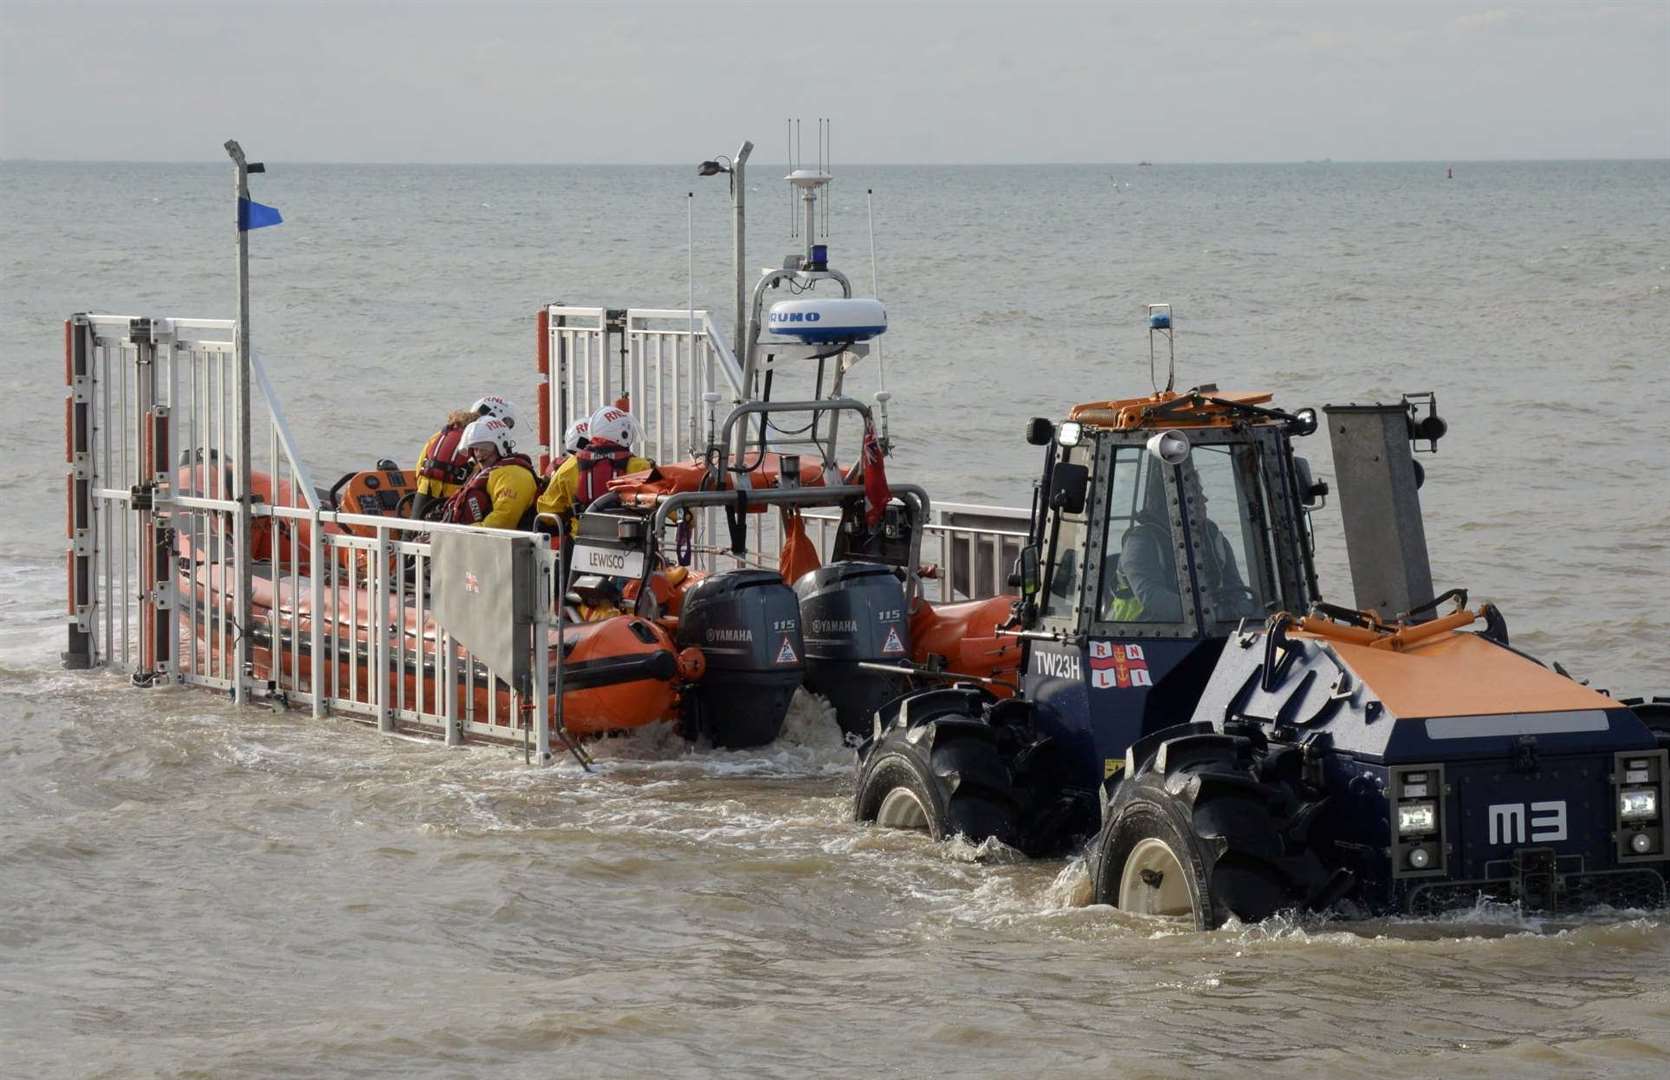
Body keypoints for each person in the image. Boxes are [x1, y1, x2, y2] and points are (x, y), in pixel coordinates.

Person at [1106, 460, 1255, 622]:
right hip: (1142, 636)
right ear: (1172, 502)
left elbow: (1235, 588)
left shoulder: (1214, 538)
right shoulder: (1141, 542)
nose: (1205, 499)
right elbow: (1152, 597)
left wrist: (1243, 609)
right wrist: (1207, 614)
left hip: (1208, 629)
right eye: (1196, 494)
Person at [535, 405, 652, 529]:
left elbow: (546, 512)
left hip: (581, 541)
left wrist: (572, 512)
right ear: (623, 433)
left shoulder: (569, 466)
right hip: (630, 542)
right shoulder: (640, 467)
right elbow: (667, 505)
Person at [410, 396, 521, 520]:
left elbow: (420, 466)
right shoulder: (481, 443)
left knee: (411, 535)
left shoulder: (441, 435)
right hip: (454, 502)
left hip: (423, 495)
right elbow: (484, 476)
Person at [439, 415, 539, 530]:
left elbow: (502, 523)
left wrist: (460, 533)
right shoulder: (484, 472)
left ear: (501, 445)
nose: (479, 454)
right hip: (470, 537)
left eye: (484, 447)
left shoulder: (514, 476)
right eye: (475, 448)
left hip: (497, 542)